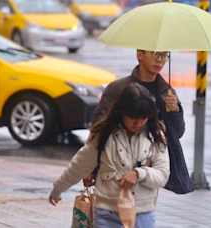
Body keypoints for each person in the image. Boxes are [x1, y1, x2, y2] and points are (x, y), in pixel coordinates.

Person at [49, 84, 170, 228]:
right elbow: (79, 166)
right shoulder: (104, 134)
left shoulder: (155, 137)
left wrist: (139, 174)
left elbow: (163, 175)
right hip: (108, 213)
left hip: (142, 214)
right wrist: (58, 189)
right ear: (122, 112)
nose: (137, 123)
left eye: (143, 118)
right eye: (132, 117)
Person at [83, 50, 193, 194]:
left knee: (142, 210)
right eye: (155, 54)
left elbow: (176, 134)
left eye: (164, 55)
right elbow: (99, 129)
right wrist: (91, 168)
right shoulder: (118, 88)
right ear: (140, 54)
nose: (160, 60)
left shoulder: (167, 93)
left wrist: (175, 111)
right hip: (115, 163)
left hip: (146, 167)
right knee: (110, 210)